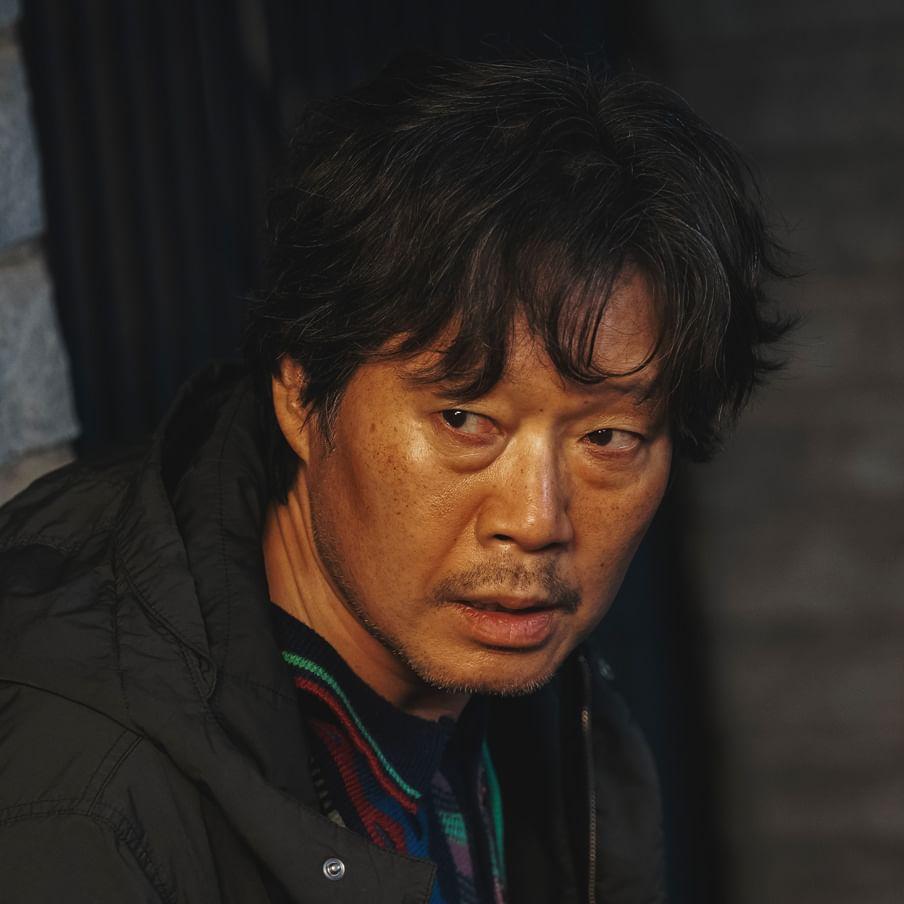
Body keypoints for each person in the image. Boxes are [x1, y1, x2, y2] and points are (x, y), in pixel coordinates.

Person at [0, 55, 789, 903]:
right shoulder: (85, 804)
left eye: (607, 437)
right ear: (302, 393)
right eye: (465, 420)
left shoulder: (548, 711)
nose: (536, 520)